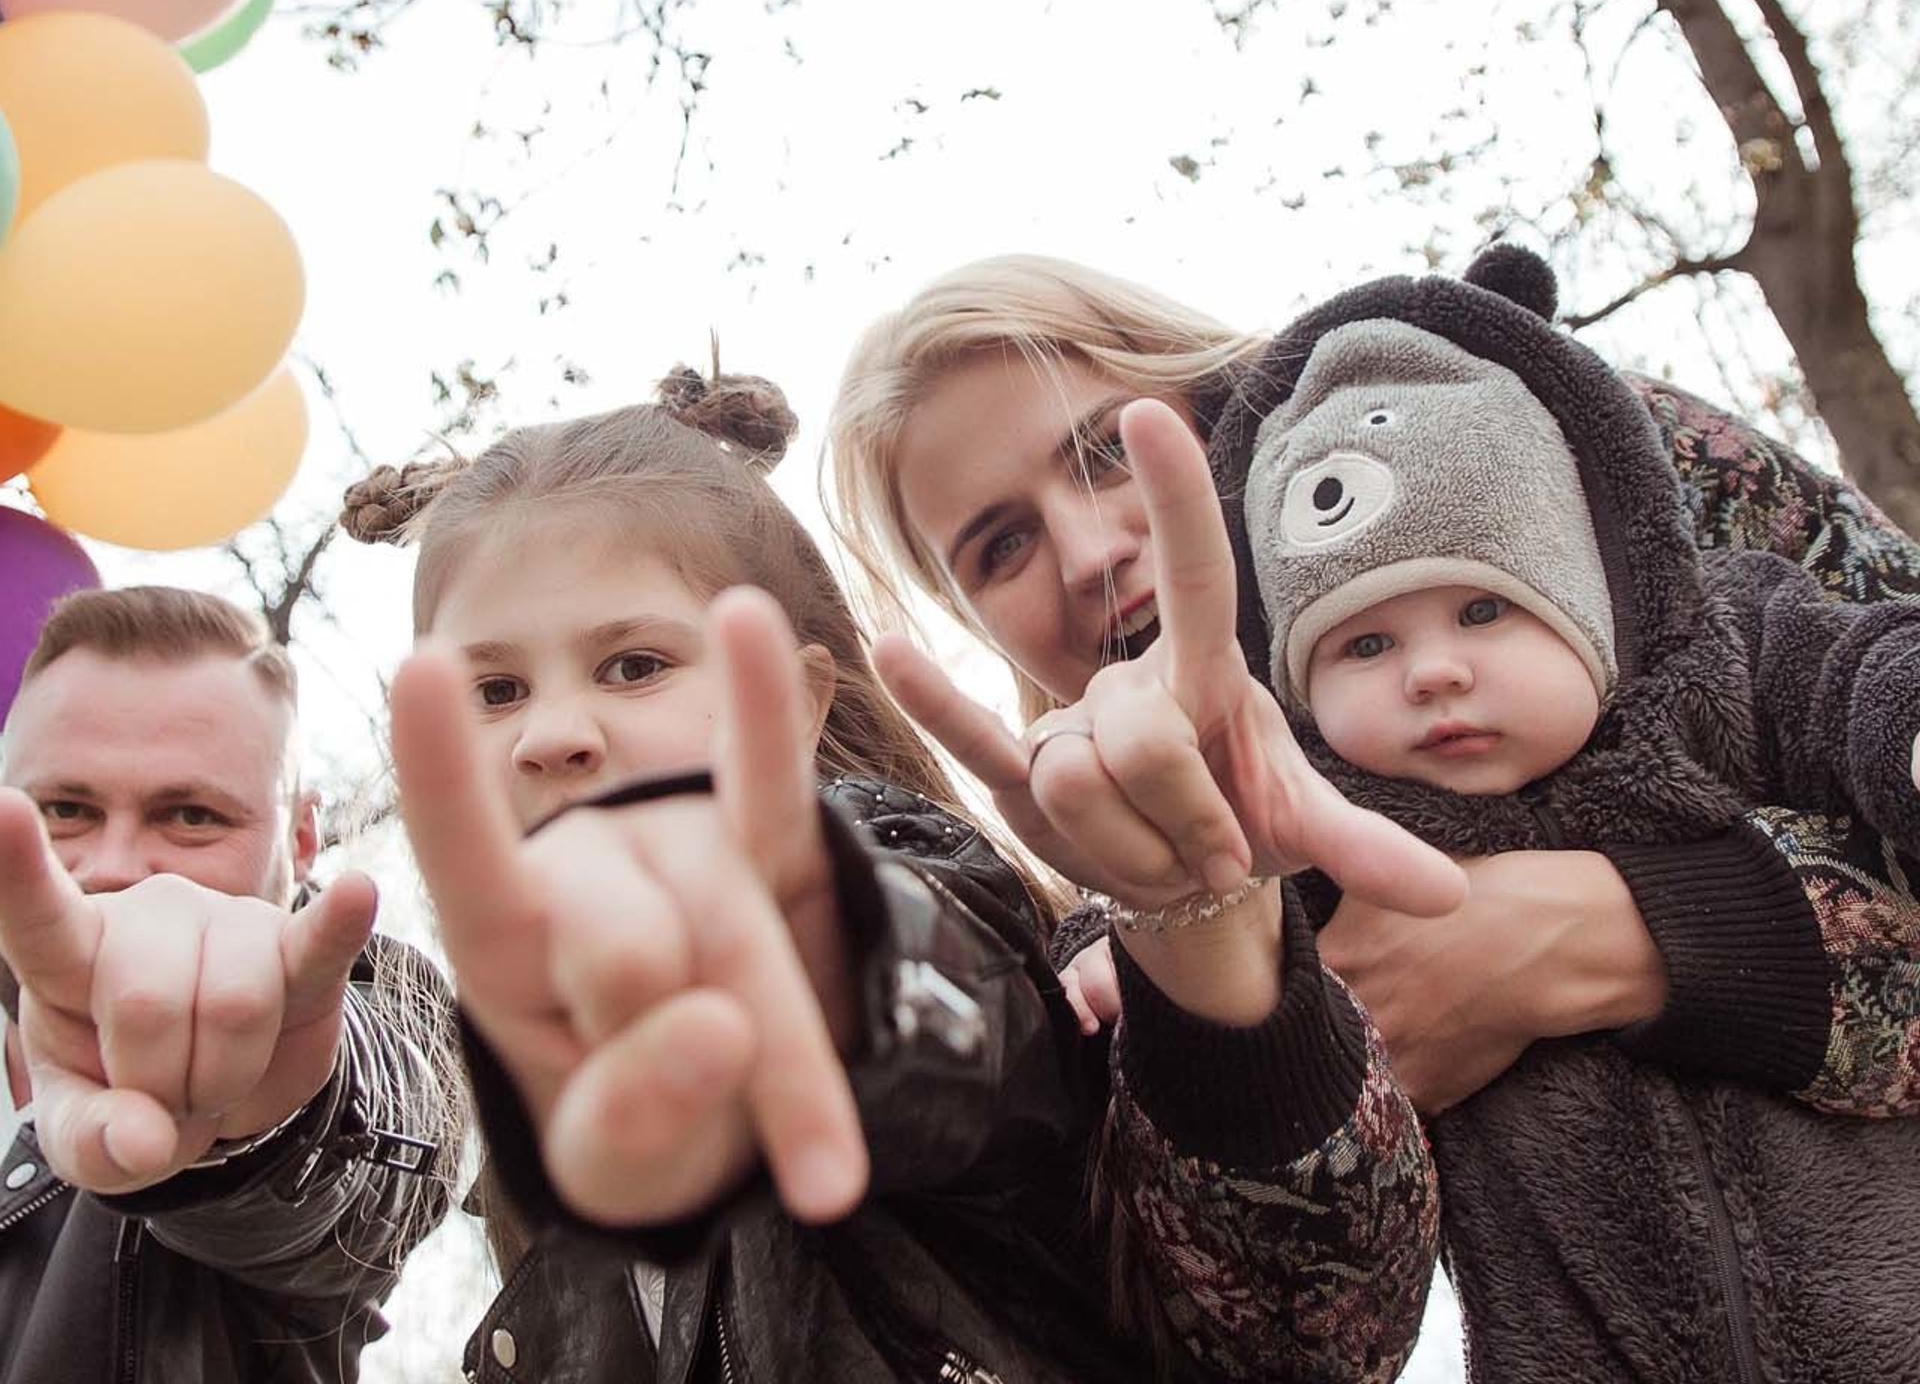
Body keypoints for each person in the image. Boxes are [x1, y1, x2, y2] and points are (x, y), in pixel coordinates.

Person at [337, 368, 1451, 1384]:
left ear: (801, 697)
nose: (551, 734)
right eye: (492, 693)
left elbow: (947, 998)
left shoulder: (904, 872)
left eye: (635, 666)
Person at [828, 254, 1920, 1119]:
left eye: (1105, 453)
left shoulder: (1543, 441)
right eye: (1000, 547)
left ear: (1209, 396)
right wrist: (1204, 970)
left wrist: (1630, 931)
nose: (1084, 554)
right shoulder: (1133, 880)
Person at [1210, 242, 1920, 1379]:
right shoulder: (1331, 827)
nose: (1432, 671)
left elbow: (1863, 672)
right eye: (1366, 643)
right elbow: (1212, 891)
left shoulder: (1720, 654)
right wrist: (1137, 952)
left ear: (1589, 588)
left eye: (1485, 608)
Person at [0, 585, 454, 1384]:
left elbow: (384, 1144)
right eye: (66, 808)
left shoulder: (379, 1008)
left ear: (303, 838)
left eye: (192, 816)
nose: (111, 866)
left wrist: (259, 1124)